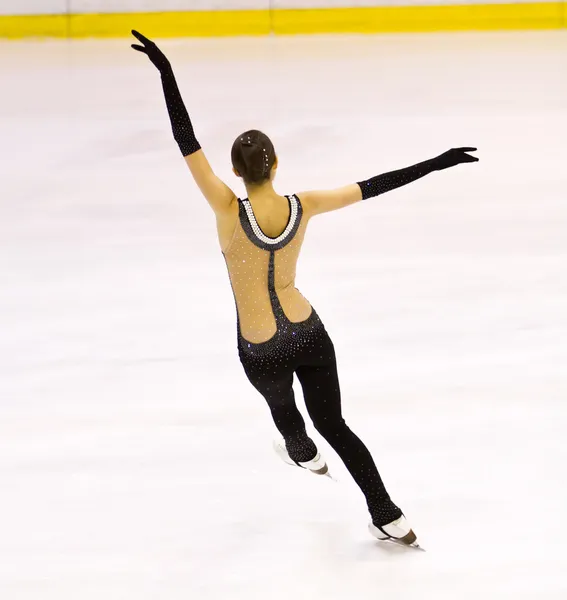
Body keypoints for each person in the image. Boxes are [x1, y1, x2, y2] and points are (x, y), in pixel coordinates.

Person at [131, 30, 478, 548]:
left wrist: (166, 73)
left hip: (261, 346)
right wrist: (437, 162)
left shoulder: (228, 212)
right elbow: (373, 184)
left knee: (289, 420)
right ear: (276, 165)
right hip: (308, 330)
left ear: (235, 172)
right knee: (335, 423)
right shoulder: (305, 204)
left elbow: (188, 143)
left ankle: (301, 449)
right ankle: (389, 515)